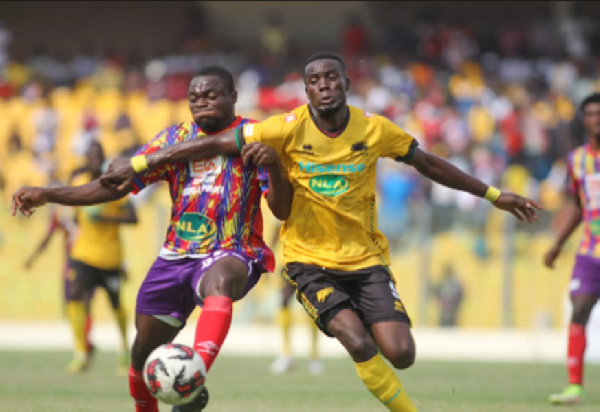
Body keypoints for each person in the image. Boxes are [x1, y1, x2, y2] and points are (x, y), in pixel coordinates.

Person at [98, 52, 541, 411]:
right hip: (308, 260)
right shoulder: (286, 127)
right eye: (314, 80)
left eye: (332, 77)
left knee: (401, 353)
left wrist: (494, 195)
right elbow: (214, 142)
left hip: (365, 259)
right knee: (355, 338)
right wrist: (141, 162)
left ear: (346, 85)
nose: (324, 85)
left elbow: (428, 164)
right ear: (306, 90)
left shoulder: (375, 129)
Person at [12, 65, 293, 412]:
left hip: (234, 249)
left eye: (211, 95)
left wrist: (276, 167)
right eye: (194, 98)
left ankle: (194, 371)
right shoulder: (173, 138)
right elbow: (113, 185)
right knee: (141, 357)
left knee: (219, 280)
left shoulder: (254, 135)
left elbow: (281, 210)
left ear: (233, 97)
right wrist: (49, 194)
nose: (201, 103)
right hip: (176, 256)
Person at [545, 92, 600, 406]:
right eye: (591, 113)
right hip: (590, 252)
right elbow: (578, 205)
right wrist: (557, 244)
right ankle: (574, 387)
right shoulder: (577, 160)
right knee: (579, 310)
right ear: (584, 119)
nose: (597, 118)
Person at [66, 140, 138, 375]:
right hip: (83, 254)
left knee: (116, 304)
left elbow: (133, 218)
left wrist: (106, 218)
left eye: (99, 154)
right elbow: (75, 217)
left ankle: (125, 352)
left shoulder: (117, 185)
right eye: (92, 154)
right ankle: (80, 353)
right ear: (87, 158)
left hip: (110, 258)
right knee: (75, 295)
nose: (95, 158)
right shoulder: (79, 182)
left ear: (104, 157)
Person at [23, 176, 95, 364]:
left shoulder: (85, 207)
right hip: (72, 263)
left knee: (83, 302)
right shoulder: (61, 211)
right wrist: (32, 257)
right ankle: (84, 345)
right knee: (72, 306)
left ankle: (83, 349)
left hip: (88, 260)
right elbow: (49, 236)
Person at [267, 221, 324, 375]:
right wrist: (270, 256)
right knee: (284, 302)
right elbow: (276, 228)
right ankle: (286, 354)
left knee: (311, 305)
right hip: (288, 261)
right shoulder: (285, 201)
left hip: (309, 261)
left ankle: (314, 356)